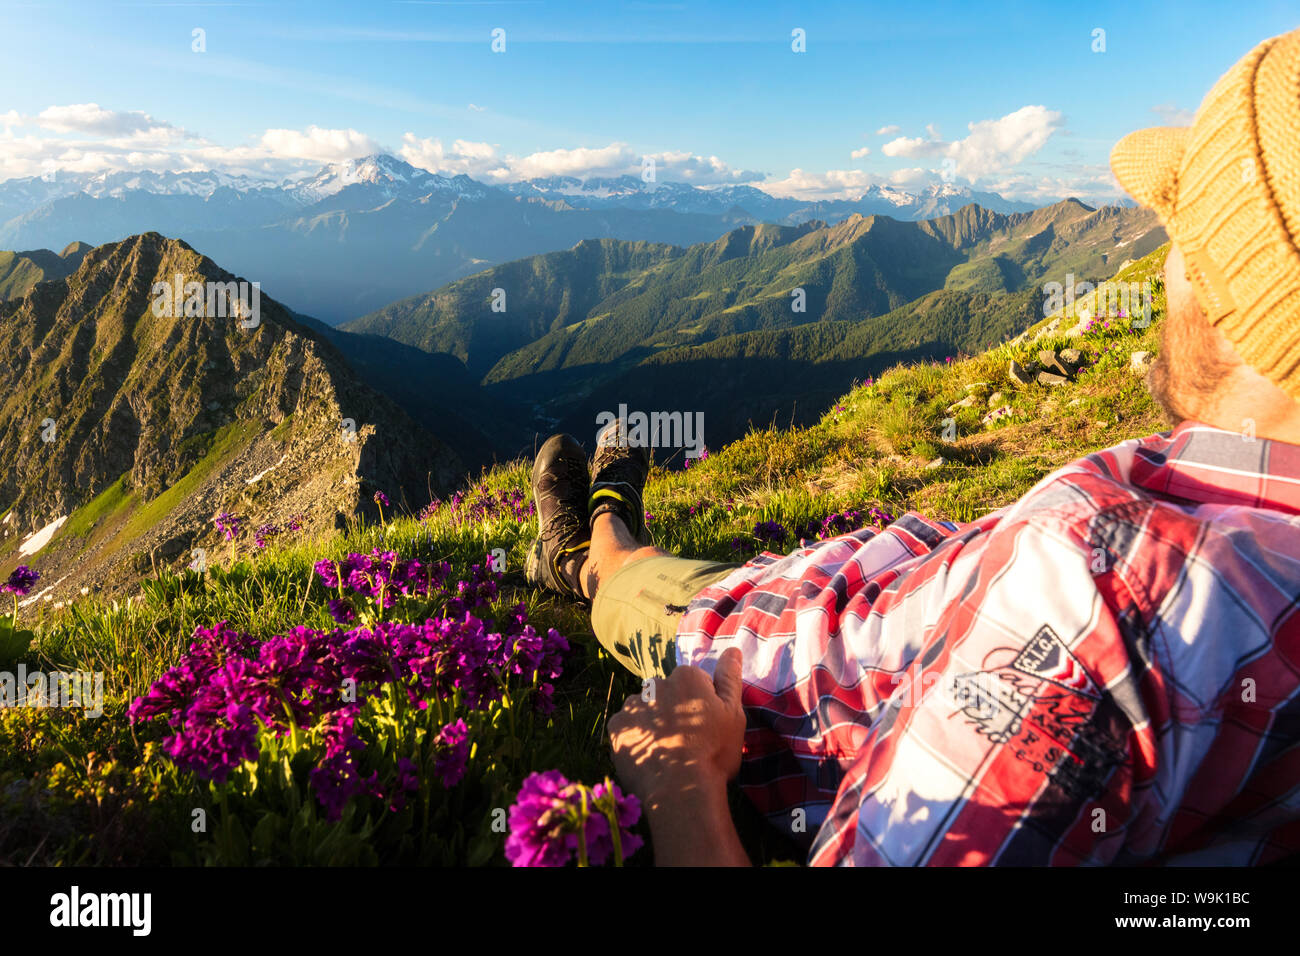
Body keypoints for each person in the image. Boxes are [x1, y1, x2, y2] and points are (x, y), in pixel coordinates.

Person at [525, 27, 1300, 866]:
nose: (1165, 256)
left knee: (644, 589)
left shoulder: (1101, 606)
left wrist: (681, 778)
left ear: (1242, 295)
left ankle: (587, 549)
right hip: (895, 587)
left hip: (757, 666)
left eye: (1185, 229)